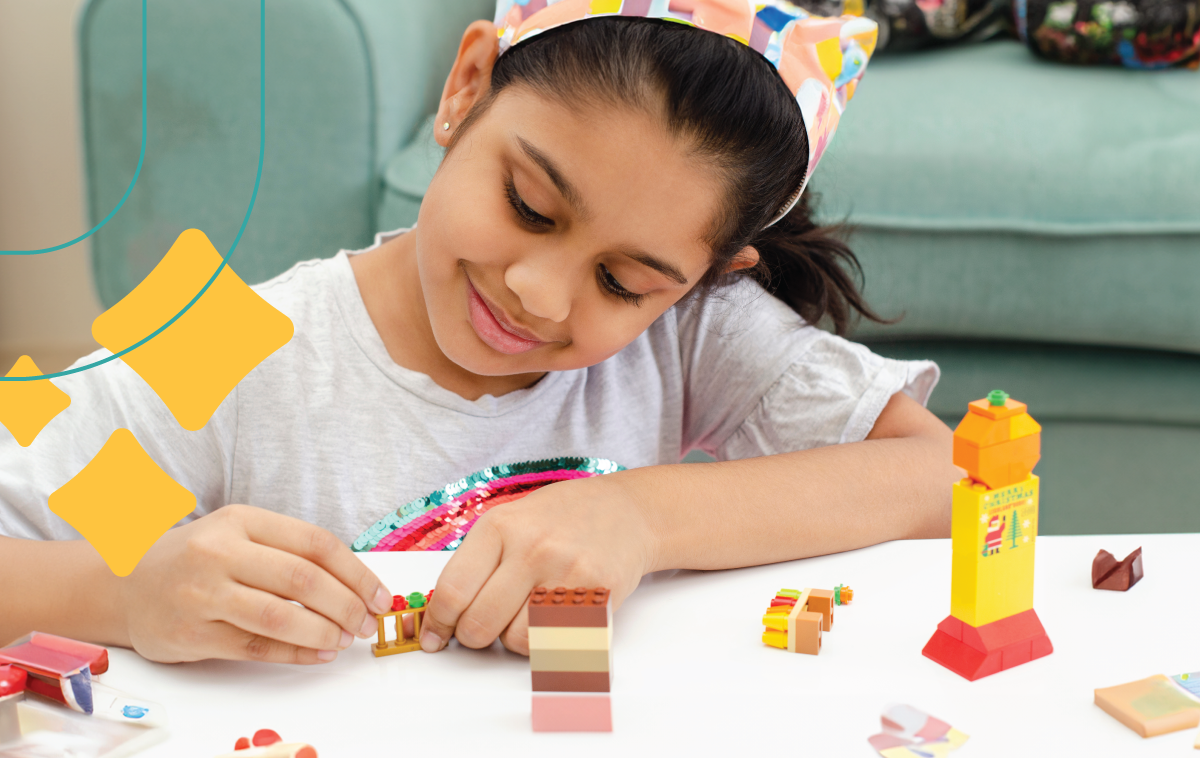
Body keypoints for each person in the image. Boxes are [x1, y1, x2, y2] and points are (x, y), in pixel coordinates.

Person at [0, 1, 958, 663]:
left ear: (703, 279)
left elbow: (952, 480)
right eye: (529, 204)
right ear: (464, 90)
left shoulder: (689, 337)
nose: (540, 295)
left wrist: (641, 515)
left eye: (622, 282)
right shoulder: (233, 344)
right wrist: (121, 595)